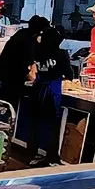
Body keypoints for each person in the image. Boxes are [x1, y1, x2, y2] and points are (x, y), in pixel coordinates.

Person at [25, 22, 73, 166]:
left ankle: (32, 154)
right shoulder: (61, 54)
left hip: (37, 90)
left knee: (34, 125)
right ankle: (51, 157)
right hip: (52, 93)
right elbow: (69, 74)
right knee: (53, 127)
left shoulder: (36, 52)